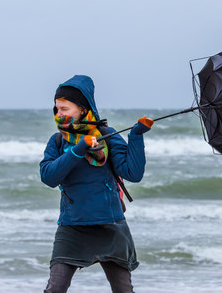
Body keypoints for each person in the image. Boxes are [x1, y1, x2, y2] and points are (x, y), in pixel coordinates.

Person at [40, 75, 153, 293]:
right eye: (56, 108)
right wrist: (77, 149)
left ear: (82, 109)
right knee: (54, 289)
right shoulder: (57, 141)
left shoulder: (107, 135)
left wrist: (136, 136)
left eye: (65, 108)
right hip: (72, 226)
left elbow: (133, 173)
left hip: (110, 226)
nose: (58, 114)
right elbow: (49, 177)